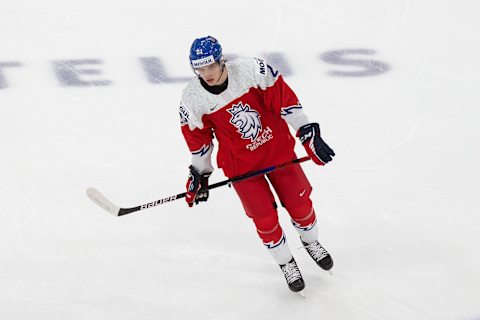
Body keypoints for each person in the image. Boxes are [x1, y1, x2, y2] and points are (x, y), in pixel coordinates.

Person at [179, 36, 335, 293]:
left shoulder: (252, 71)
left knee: (300, 203)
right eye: (200, 69)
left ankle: (310, 242)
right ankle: (286, 262)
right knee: (263, 218)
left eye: (210, 66)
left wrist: (308, 133)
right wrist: (200, 173)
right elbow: (199, 140)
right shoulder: (192, 98)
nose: (206, 74)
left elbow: (285, 101)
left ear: (222, 61)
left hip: (277, 152)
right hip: (241, 167)